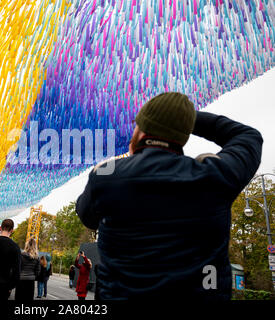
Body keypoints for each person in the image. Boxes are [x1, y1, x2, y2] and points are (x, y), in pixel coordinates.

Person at [76, 92, 263, 300]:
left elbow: (86, 216)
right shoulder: (215, 176)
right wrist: (183, 120)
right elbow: (249, 137)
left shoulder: (106, 175)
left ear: (142, 130)